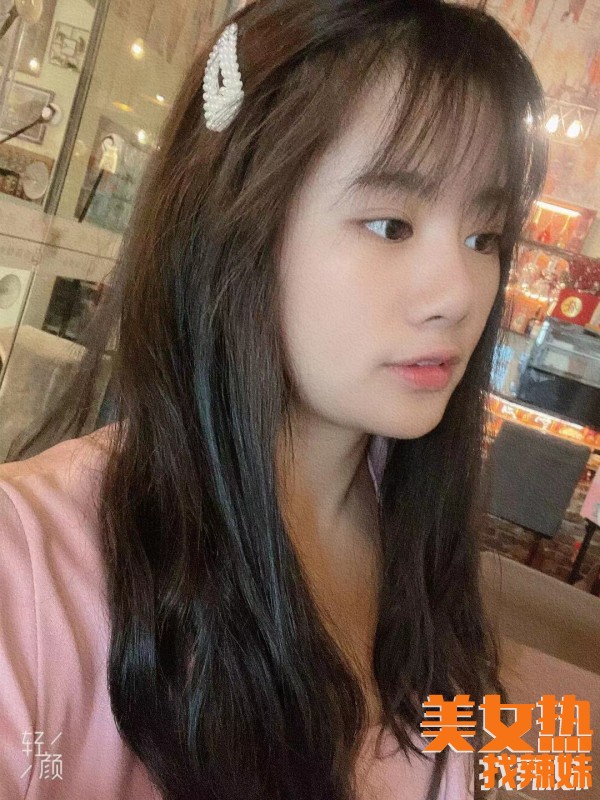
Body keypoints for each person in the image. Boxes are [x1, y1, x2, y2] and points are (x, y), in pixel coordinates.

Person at [0, 0, 548, 798]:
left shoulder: (416, 529)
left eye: (484, 237)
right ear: (233, 223)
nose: (460, 294)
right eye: (392, 226)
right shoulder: (29, 569)